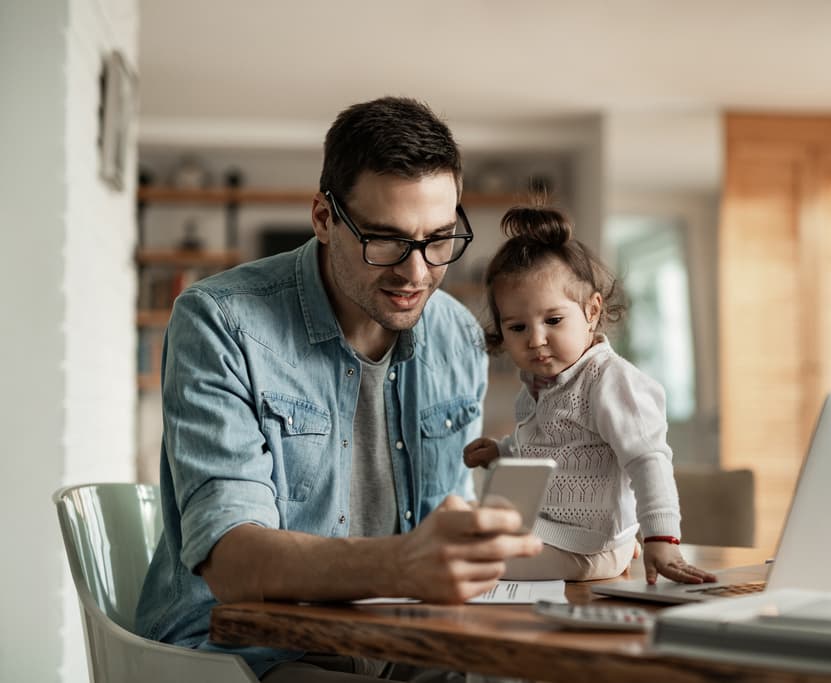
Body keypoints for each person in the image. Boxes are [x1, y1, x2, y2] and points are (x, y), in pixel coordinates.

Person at [134, 97, 542, 681]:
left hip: (406, 644)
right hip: (248, 653)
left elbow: (445, 535)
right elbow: (232, 561)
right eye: (386, 240)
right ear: (324, 218)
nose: (417, 273)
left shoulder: (457, 334)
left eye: (440, 239)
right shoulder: (220, 321)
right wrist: (404, 564)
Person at [462, 205, 717, 586]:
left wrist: (661, 539)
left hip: (585, 546)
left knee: (474, 562)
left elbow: (648, 460)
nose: (535, 340)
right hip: (557, 530)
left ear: (592, 311)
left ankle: (617, 549)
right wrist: (503, 451)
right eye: (517, 327)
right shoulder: (539, 385)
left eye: (553, 320)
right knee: (463, 527)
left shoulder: (609, 381)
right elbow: (551, 449)